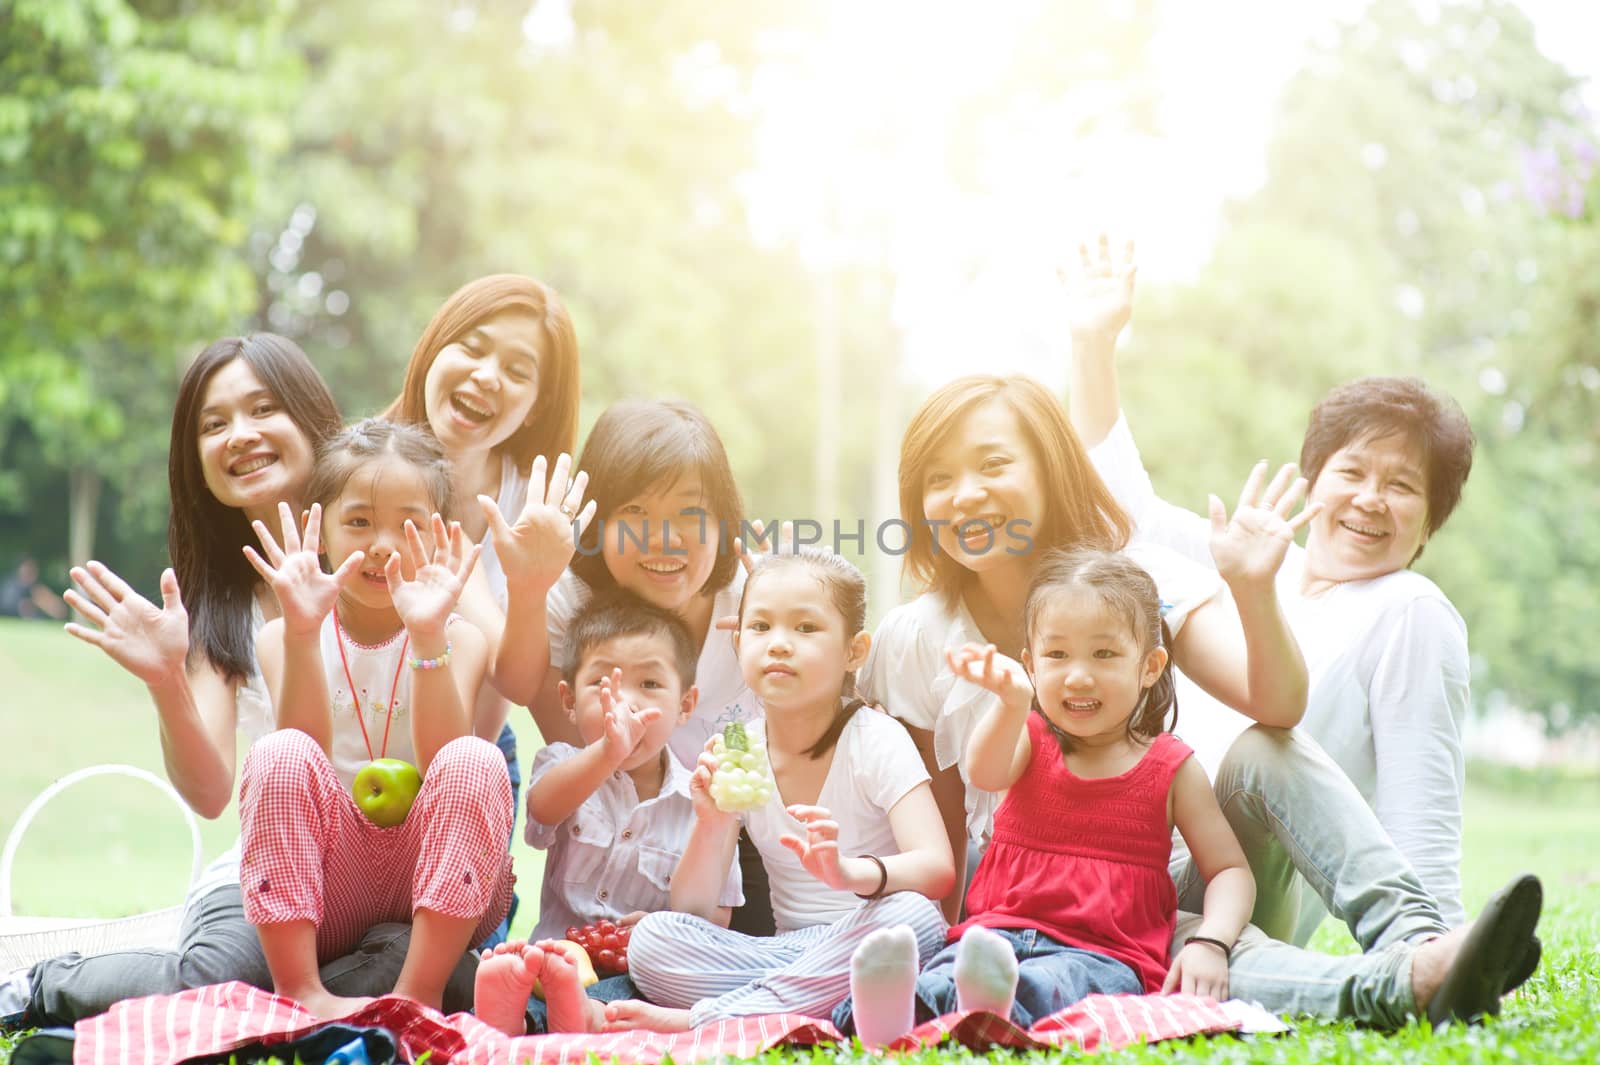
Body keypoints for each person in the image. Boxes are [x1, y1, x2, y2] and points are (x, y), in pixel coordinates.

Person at [865, 322, 1539, 1026]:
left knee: (1258, 754)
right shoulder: (914, 636)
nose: (964, 494)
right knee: (1192, 963)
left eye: (992, 464)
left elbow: (1275, 706)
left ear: (1047, 469)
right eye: (938, 479)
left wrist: (1251, 589)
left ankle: (1417, 938)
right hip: (1029, 909)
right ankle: (1415, 981)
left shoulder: (1135, 579)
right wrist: (953, 957)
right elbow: (935, 839)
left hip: (1164, 877)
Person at [1066, 238, 1476, 932]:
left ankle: (1416, 945)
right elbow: (1121, 511)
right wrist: (1093, 345)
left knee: (1259, 751)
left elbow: (1420, 805)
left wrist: (1437, 946)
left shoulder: (1411, 611)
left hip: (1238, 888)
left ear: (1430, 523)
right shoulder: (1252, 557)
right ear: (1312, 482)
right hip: (1132, 858)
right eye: (1353, 472)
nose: (1371, 499)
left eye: (1402, 485)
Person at [0, 335, 397, 1027]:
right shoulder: (222, 608)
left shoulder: (384, 557)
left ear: (311, 419)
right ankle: (38, 985)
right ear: (199, 465)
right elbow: (210, 791)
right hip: (268, 879)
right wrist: (165, 680)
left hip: (381, 874)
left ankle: (287, 1003)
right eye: (214, 425)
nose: (239, 435)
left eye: (262, 408)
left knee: (431, 967)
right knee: (217, 973)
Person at [837, 549, 1254, 1045]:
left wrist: (1211, 940)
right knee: (947, 971)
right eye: (1057, 655)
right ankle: (901, 1011)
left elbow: (1229, 869)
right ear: (1031, 665)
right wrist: (1012, 702)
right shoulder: (1031, 736)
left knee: (1056, 986)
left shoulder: (1171, 767)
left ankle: (982, 1009)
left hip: (1102, 954)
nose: (1078, 676)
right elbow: (985, 773)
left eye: (1104, 654)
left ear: (1149, 666)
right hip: (994, 935)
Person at [592, 549, 955, 1032]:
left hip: (868, 933)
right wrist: (712, 821)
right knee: (653, 939)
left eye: (805, 629)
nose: (779, 644)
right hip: (791, 955)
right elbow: (695, 911)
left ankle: (711, 1017)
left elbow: (937, 870)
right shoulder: (737, 745)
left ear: (854, 650)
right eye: (761, 628)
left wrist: (847, 872)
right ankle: (822, 1001)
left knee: (913, 920)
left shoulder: (874, 737)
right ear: (739, 642)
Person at [237, 418, 510, 1020]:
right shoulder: (285, 636)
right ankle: (300, 990)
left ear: (439, 537)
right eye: (358, 521)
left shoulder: (458, 640)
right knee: (276, 754)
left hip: (436, 875)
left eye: (407, 523)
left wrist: (428, 633)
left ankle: (420, 991)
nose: (383, 542)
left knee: (475, 759)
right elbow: (301, 754)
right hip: (330, 878)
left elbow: (445, 762)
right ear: (323, 532)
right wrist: (306, 632)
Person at [509, 399, 772, 933]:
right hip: (615, 839)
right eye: (635, 514)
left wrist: (786, 620)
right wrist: (526, 589)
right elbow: (521, 690)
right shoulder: (573, 602)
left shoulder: (752, 600)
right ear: (598, 522)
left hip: (744, 837)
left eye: (689, 514)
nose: (664, 538)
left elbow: (772, 735)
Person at [385, 274, 588, 892]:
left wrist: (508, 585)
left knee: (444, 976)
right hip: (354, 768)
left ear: (535, 409)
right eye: (472, 347)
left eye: (518, 370)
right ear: (435, 347)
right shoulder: (359, 469)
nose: (487, 376)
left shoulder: (536, 508)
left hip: (470, 778)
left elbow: (520, 681)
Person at [471, 591, 743, 1036]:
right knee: (540, 976)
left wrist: (659, 927)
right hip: (557, 957)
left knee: (644, 990)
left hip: (642, 969)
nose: (626, 705)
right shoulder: (562, 763)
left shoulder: (706, 799)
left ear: (686, 706)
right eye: (604, 686)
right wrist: (606, 752)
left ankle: (551, 1017)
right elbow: (542, 808)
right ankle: (524, 1013)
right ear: (569, 700)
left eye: (650, 685)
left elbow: (717, 916)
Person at [0, 557, 67, 620]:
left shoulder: (36, 589)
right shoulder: (10, 586)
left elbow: (60, 611)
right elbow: (6, 606)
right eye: (27, 569)